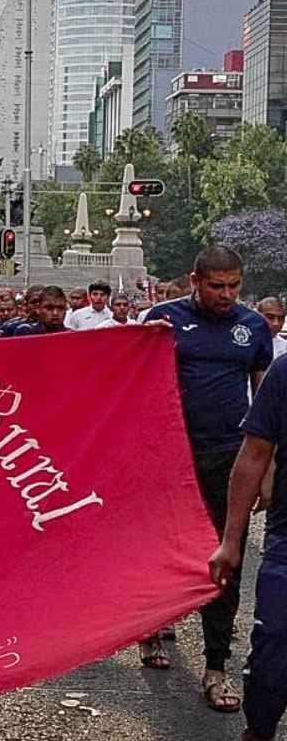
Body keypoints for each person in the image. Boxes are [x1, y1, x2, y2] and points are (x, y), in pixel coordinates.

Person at [138, 246, 271, 711]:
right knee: (160, 549)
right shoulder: (162, 320)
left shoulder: (253, 326)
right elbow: (132, 381)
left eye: (235, 285)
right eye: (217, 285)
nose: (226, 294)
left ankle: (216, 666)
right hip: (168, 460)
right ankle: (152, 627)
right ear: (195, 280)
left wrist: (268, 465)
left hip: (228, 461)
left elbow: (264, 396)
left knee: (226, 556)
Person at [209, 348, 287, 740]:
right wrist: (231, 540)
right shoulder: (285, 372)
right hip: (286, 545)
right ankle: (258, 731)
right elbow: (254, 454)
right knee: (272, 659)